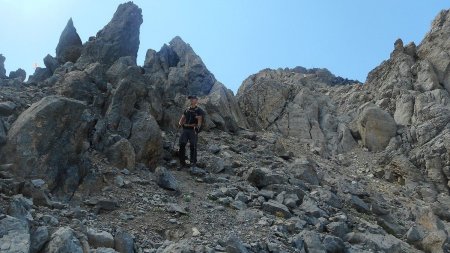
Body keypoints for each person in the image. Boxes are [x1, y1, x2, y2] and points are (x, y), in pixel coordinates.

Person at [178, 95, 205, 168]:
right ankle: (182, 162)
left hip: (193, 129)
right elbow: (182, 117)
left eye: (193, 99)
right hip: (185, 129)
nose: (191, 100)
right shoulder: (187, 109)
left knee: (193, 146)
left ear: (196, 100)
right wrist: (180, 124)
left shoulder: (199, 110)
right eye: (190, 99)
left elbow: (200, 120)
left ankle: (193, 162)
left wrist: (198, 127)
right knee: (182, 144)